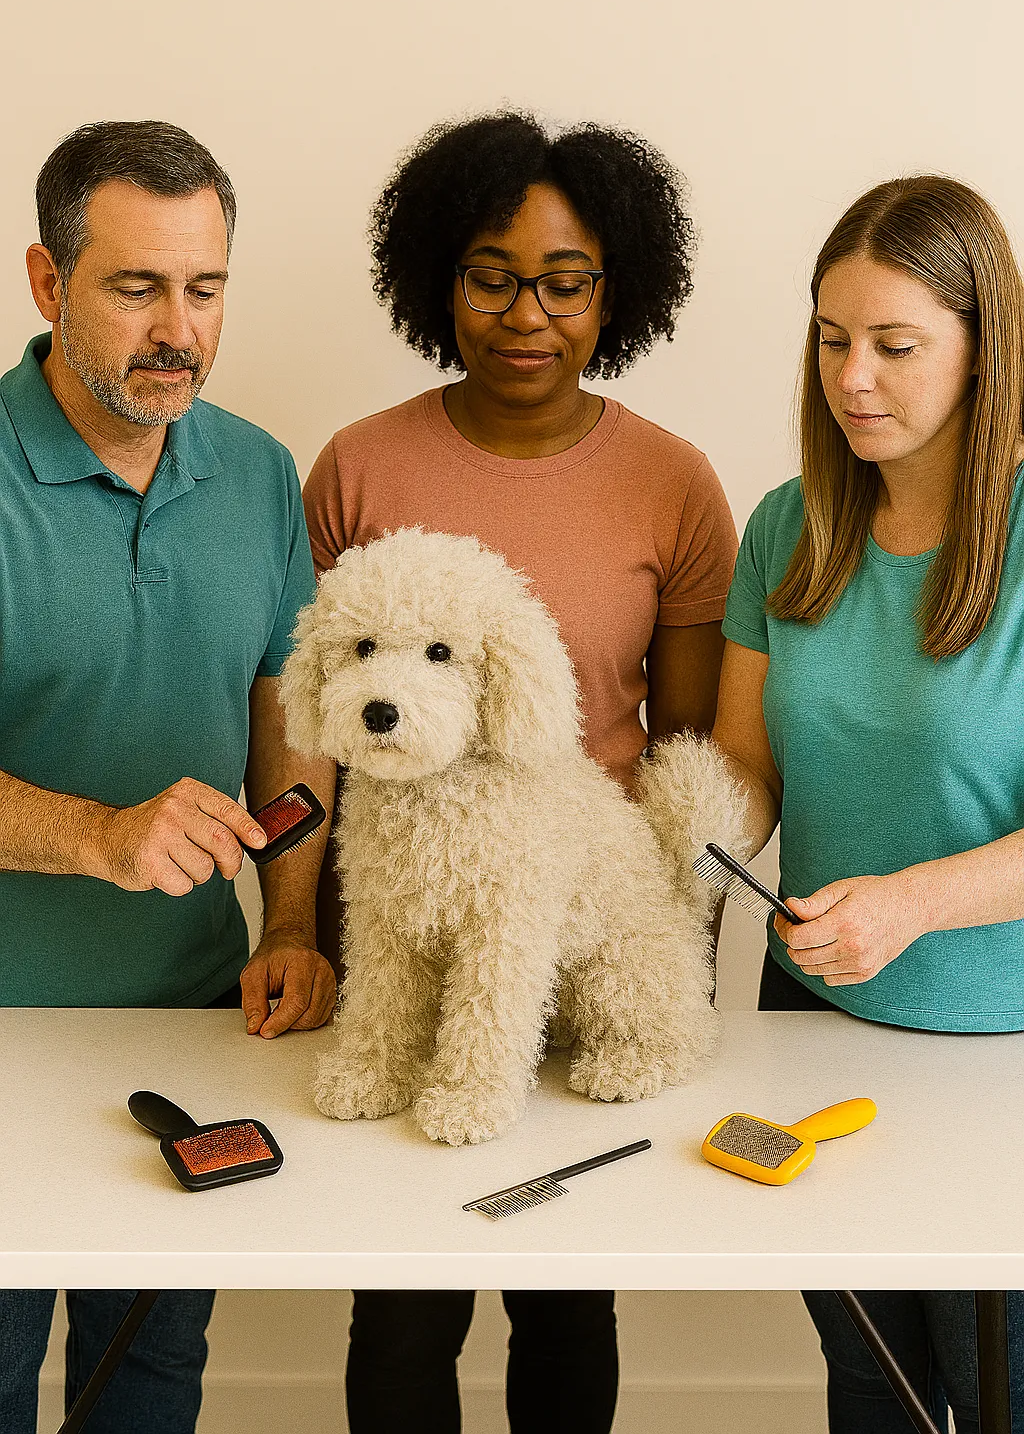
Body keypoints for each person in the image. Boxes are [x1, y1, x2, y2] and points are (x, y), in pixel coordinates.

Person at [302, 110, 738, 1434]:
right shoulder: (358, 465)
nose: (527, 312)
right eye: (493, 274)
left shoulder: (676, 485)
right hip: (390, 897)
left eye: (567, 279)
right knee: (400, 1294)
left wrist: (666, 953)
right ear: (440, 278)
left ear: (620, 291)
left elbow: (687, 747)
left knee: (565, 1293)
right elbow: (314, 713)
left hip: (584, 911)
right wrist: (288, 920)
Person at [0, 121, 337, 1433]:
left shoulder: (256, 473)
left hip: (189, 1040)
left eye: (205, 290)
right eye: (136, 287)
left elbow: (287, 718)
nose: (178, 328)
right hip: (5, 1039)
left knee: (147, 1379)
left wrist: (296, 926)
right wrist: (99, 834)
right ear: (47, 280)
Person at [712, 174, 1024, 1432]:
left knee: (992, 1391)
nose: (853, 377)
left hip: (994, 1053)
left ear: (982, 347)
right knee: (870, 1391)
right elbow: (747, 767)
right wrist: (680, 832)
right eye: (833, 339)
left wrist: (911, 903)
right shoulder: (786, 527)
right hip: (817, 1028)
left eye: (895, 346)